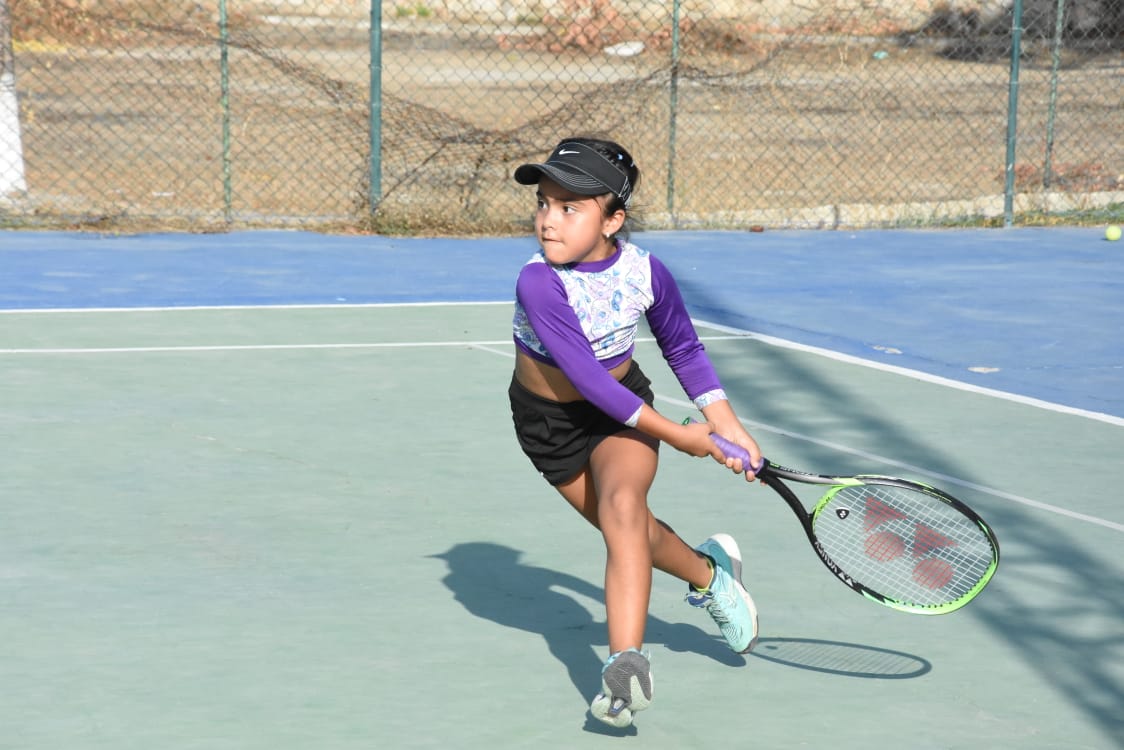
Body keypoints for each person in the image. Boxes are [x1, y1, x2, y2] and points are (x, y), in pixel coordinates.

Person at [507, 136, 765, 728]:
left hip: (624, 412)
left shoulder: (646, 273)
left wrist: (728, 426)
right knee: (634, 532)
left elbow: (683, 347)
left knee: (623, 510)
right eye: (544, 203)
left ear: (612, 218)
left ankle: (626, 665)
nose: (549, 220)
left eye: (570, 207)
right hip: (547, 423)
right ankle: (710, 574)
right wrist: (682, 435)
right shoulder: (539, 282)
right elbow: (586, 380)